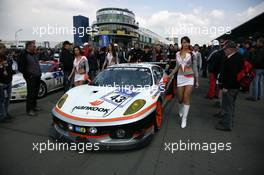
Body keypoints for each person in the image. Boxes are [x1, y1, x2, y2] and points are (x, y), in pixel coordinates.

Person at [170, 36, 199, 128]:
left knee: (186, 97)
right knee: (180, 98)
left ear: (189, 43)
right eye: (183, 42)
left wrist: (197, 80)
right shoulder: (177, 53)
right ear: (181, 43)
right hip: (180, 77)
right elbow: (177, 67)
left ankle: (184, 119)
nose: (185, 44)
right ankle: (180, 108)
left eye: (187, 42)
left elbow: (195, 67)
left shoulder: (192, 54)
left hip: (189, 77)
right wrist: (169, 75)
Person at [216, 40, 243, 131]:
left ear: (231, 49)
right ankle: (227, 121)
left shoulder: (233, 59)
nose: (224, 51)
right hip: (234, 86)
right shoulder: (237, 56)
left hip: (231, 87)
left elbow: (231, 75)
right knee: (230, 105)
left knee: (228, 106)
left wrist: (226, 87)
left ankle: (227, 125)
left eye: (225, 49)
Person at [18, 41, 41, 116]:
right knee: (31, 94)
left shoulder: (34, 54)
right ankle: (29, 110)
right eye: (33, 46)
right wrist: (29, 75)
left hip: (37, 76)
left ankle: (34, 106)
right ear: (28, 46)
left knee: (35, 93)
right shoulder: (23, 54)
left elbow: (36, 64)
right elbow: (21, 68)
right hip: (31, 77)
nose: (34, 47)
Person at [246, 37, 264, 101]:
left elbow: (257, 60)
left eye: (258, 42)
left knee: (255, 82)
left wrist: (252, 65)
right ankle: (259, 96)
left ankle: (254, 97)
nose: (257, 43)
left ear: (261, 43)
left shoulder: (260, 50)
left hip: (258, 68)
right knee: (260, 82)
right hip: (262, 68)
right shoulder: (260, 49)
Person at [0, 43, 14, 122]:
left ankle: (5, 113)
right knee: (1, 100)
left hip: (8, 81)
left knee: (7, 99)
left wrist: (10, 76)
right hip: (1, 83)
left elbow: (8, 68)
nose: (4, 50)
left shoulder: (5, 57)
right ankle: (2, 116)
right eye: (3, 48)